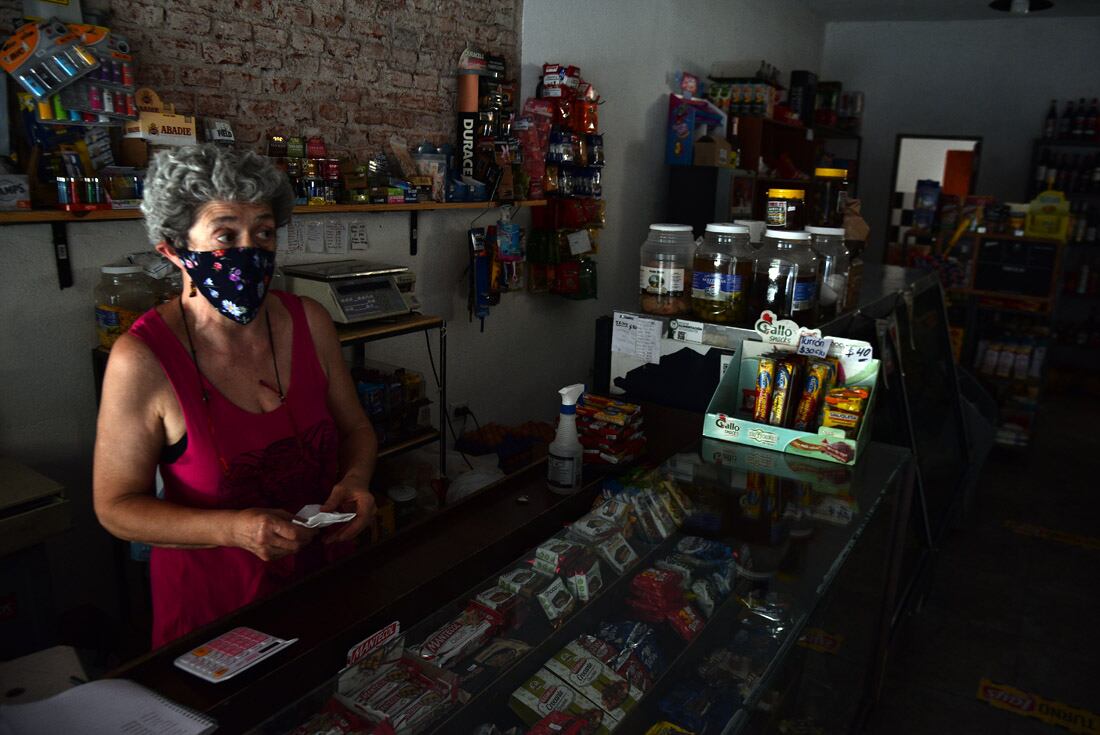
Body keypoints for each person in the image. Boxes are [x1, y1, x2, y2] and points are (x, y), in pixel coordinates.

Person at [93, 144, 378, 647]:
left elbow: (355, 428)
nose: (251, 251)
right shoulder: (142, 359)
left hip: (323, 583)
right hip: (215, 614)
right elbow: (116, 507)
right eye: (226, 234)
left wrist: (356, 481)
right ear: (172, 248)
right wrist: (235, 530)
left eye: (264, 232)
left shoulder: (309, 322)